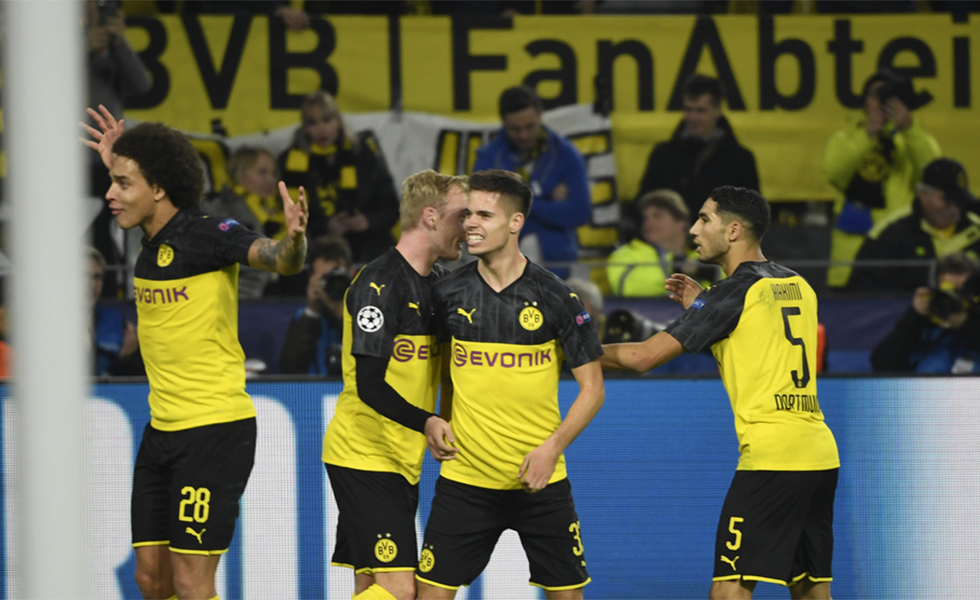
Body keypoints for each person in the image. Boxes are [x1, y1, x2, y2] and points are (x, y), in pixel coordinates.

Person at [82, 105, 309, 600]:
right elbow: (141, 174)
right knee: (151, 580)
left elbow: (277, 260)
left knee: (190, 581)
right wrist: (120, 159)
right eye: (113, 182)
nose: (110, 194)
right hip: (161, 432)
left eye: (123, 184)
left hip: (213, 431)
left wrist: (293, 242)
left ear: (159, 189)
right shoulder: (149, 240)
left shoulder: (207, 234)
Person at [600, 186, 839, 599]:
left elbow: (642, 357)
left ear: (733, 231)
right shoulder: (799, 284)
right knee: (810, 591)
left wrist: (567, 350)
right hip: (819, 454)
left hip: (771, 458)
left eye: (704, 219)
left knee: (728, 590)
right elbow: (752, 344)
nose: (694, 230)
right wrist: (704, 308)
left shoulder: (732, 293)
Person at [416, 170, 605, 600]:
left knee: (567, 596)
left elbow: (593, 389)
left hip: (540, 481)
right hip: (465, 480)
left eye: (484, 215)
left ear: (516, 222)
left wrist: (550, 450)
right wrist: (440, 419)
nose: (470, 224)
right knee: (430, 595)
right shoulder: (447, 293)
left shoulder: (556, 296)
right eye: (468, 214)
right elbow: (444, 371)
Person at [321, 170, 467, 600]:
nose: (469, 225)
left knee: (370, 584)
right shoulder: (377, 285)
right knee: (400, 590)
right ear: (430, 216)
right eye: (461, 215)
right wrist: (429, 421)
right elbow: (369, 385)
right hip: (365, 455)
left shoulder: (439, 285)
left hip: (400, 459)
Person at [823, 68, 941, 289]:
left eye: (887, 94)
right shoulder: (846, 138)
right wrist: (866, 136)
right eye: (874, 94)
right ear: (864, 102)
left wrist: (909, 128)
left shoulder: (910, 139)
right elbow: (833, 172)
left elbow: (934, 173)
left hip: (900, 256)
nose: (880, 101)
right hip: (851, 259)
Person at [472, 85, 592, 278]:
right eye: (515, 129)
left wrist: (517, 203)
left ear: (539, 114)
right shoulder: (489, 160)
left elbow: (580, 212)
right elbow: (483, 218)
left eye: (529, 127)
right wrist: (550, 204)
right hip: (503, 272)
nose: (524, 135)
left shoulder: (566, 155)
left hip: (559, 270)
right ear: (503, 121)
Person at [278, 90, 400, 263]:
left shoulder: (362, 154)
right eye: (312, 123)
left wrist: (367, 222)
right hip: (319, 250)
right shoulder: (292, 162)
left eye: (327, 120)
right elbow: (287, 216)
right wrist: (326, 227)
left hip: (370, 247)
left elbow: (391, 207)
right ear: (305, 128)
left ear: (339, 121)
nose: (321, 129)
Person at [84, 0, 153, 298]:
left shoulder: (110, 50)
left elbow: (142, 85)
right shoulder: (52, 41)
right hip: (67, 161)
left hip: (106, 160)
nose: (94, 9)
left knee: (108, 234)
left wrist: (121, 43)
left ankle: (109, 295)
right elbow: (43, 83)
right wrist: (82, 47)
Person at [636, 74, 759, 221]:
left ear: (718, 110)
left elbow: (751, 219)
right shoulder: (663, 155)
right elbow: (644, 206)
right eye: (688, 109)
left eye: (701, 110)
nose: (692, 117)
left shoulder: (740, 160)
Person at [848, 157, 980, 293]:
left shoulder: (976, 229)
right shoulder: (890, 232)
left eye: (959, 201)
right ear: (923, 194)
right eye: (947, 199)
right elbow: (862, 292)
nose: (953, 208)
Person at [871, 253, 980, 374]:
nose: (951, 300)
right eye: (946, 293)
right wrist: (915, 316)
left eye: (958, 292)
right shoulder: (922, 326)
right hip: (925, 385)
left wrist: (965, 325)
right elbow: (882, 364)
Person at [203, 146, 285, 298]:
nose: (270, 180)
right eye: (262, 172)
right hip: (237, 301)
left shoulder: (283, 213)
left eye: (274, 173)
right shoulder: (218, 210)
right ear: (238, 174)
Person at [606, 188, 719, 296]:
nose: (648, 223)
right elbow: (630, 288)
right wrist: (676, 266)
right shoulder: (626, 254)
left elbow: (725, 286)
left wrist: (701, 270)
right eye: (645, 218)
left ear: (681, 222)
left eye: (657, 216)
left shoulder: (704, 254)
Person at [278, 235, 353, 376]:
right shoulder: (302, 317)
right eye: (325, 278)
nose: (331, 285)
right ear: (312, 279)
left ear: (351, 274)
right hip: (315, 388)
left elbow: (371, 358)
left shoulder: (367, 314)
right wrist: (312, 311)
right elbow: (290, 370)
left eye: (336, 277)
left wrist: (341, 313)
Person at [89, 246, 143, 376]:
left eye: (97, 277)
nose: (91, 284)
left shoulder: (117, 322)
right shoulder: (49, 325)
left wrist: (128, 356)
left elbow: (137, 380)